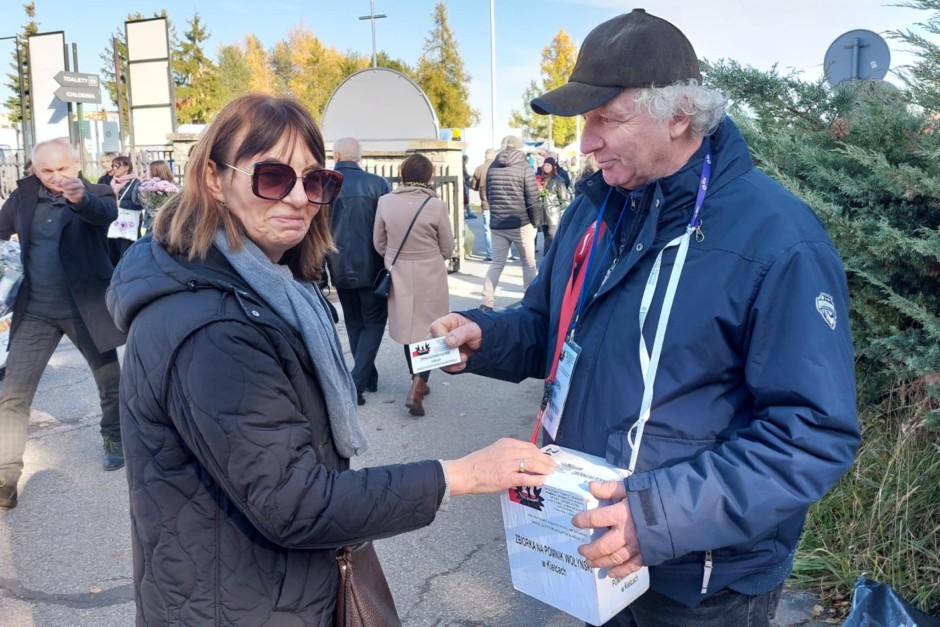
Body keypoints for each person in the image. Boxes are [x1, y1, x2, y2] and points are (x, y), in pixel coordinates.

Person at [431, 10, 859, 626]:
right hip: (592, 545)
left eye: (608, 117)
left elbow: (812, 432)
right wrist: (486, 337)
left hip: (703, 586)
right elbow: (552, 330)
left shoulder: (778, 240)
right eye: (585, 120)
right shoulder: (596, 211)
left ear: (679, 114)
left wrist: (655, 517)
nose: (586, 141)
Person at [104, 94, 555, 624]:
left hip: (260, 584)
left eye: (315, 182)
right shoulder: (212, 326)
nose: (298, 198)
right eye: (272, 177)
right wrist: (461, 474)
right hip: (234, 601)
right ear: (211, 178)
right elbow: (296, 501)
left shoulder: (267, 286)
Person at [0, 138, 125, 509]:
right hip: (35, 310)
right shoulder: (23, 196)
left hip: (85, 306)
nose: (55, 177)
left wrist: (79, 198)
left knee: (110, 383)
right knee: (13, 393)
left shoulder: (98, 192)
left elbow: (104, 215)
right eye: (46, 171)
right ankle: (5, 474)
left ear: (77, 164)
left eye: (63, 169)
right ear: (34, 170)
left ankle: (114, 436)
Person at [374, 153, 455, 416]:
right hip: (430, 271)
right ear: (429, 176)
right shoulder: (436, 206)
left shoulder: (385, 202)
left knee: (408, 329)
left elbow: (379, 242)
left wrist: (393, 255)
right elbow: (448, 247)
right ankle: (419, 384)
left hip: (398, 270)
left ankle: (415, 377)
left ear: (403, 174)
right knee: (430, 328)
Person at [326, 137, 392, 405]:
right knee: (374, 322)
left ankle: (366, 377)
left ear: (337, 154)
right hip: (373, 265)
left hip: (338, 263)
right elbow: (389, 226)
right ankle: (358, 382)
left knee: (354, 322)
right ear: (359, 158)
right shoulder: (378, 184)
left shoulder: (326, 183)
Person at [480, 135, 539, 312]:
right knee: (528, 264)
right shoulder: (525, 168)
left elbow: (489, 195)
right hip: (521, 223)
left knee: (497, 264)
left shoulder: (492, 167)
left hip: (498, 223)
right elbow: (532, 198)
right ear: (520, 148)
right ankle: (530, 301)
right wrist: (536, 222)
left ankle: (486, 301)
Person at [107, 155, 145, 265]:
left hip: (129, 223)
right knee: (112, 251)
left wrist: (120, 203)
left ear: (127, 167)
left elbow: (139, 204)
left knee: (126, 252)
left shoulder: (136, 183)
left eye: (117, 166)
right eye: (113, 166)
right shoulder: (112, 182)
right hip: (113, 222)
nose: (114, 168)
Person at [536, 156, 570, 255]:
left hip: (553, 214)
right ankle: (550, 256)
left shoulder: (559, 180)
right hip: (542, 212)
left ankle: (548, 257)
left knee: (551, 236)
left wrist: (557, 210)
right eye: (545, 164)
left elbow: (565, 200)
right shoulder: (540, 178)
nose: (546, 166)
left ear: (553, 166)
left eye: (548, 164)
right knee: (546, 235)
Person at [470, 148, 496, 261]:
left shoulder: (479, 169)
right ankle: (507, 254)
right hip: (499, 204)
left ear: (485, 156)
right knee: (503, 231)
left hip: (485, 203)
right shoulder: (499, 167)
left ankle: (490, 254)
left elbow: (473, 186)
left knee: (488, 230)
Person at [462, 153, 476, 219]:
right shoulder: (462, 166)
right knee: (466, 199)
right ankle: (466, 213)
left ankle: (468, 212)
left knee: (467, 199)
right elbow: (464, 176)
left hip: (466, 183)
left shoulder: (464, 166)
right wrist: (470, 176)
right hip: (465, 184)